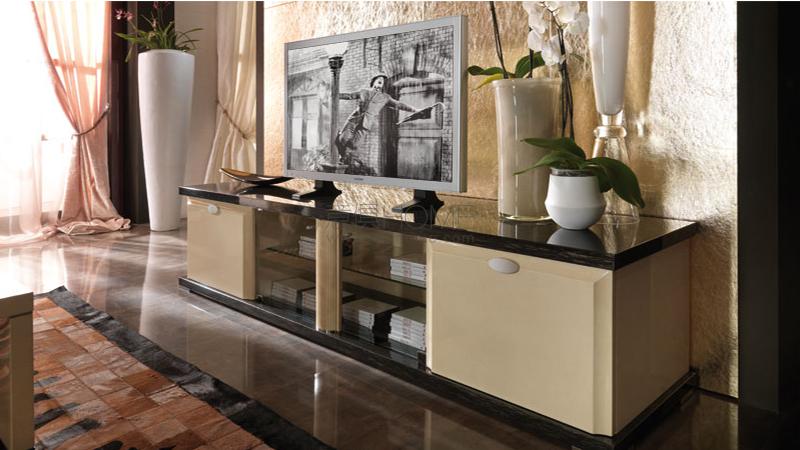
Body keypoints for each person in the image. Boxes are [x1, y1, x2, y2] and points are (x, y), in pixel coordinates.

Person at [334, 73, 420, 161]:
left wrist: (414, 110)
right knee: (343, 139)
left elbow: (399, 104)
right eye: (379, 79)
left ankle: (343, 156)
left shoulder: (385, 97)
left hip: (366, 124)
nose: (381, 81)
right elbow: (349, 96)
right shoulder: (364, 92)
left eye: (382, 81)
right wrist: (334, 95)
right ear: (374, 81)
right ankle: (341, 144)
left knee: (354, 145)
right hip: (354, 119)